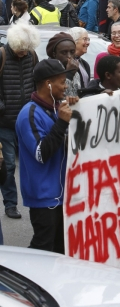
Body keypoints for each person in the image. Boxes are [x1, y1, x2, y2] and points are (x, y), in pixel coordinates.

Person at [16, 59, 78, 253]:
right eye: (62, 82)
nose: (65, 86)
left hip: (60, 195)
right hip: (43, 196)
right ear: (48, 84)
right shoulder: (29, 114)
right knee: (43, 249)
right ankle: (19, 277)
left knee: (60, 248)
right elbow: (41, 154)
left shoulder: (54, 108)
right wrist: (61, 123)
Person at [0, 23, 40, 219]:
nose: (24, 53)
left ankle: (36, 202)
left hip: (27, 120)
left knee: (32, 163)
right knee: (8, 165)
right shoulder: (2, 55)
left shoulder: (32, 56)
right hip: (5, 122)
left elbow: (37, 83)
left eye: (27, 50)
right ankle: (10, 203)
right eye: (21, 50)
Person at [46, 32, 81, 97]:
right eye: (64, 52)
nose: (69, 56)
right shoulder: (47, 72)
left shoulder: (75, 70)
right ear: (54, 54)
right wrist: (69, 75)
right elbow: (58, 98)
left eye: (72, 52)